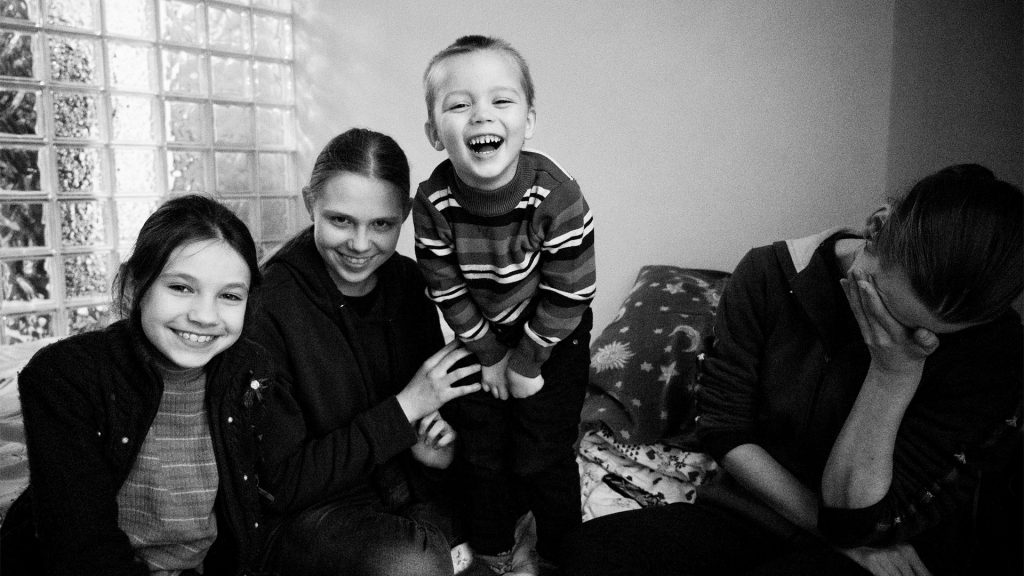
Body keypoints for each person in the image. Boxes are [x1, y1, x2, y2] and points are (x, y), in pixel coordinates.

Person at [563, 164, 1023, 576]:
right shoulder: (771, 272)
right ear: (876, 228)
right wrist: (836, 538)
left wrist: (894, 375)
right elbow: (725, 430)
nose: (907, 337)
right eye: (888, 309)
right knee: (589, 555)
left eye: (934, 334)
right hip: (759, 511)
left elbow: (857, 520)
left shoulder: (993, 353)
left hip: (890, 541)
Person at [250, 128, 482, 576]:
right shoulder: (268, 305)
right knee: (410, 563)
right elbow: (280, 485)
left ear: (405, 215)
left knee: (505, 506)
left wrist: (434, 455)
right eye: (340, 220)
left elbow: (427, 426)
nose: (360, 245)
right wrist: (406, 408)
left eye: (381, 224)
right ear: (308, 205)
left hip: (399, 494)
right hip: (307, 514)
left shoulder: (410, 283)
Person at [0, 195, 272, 575]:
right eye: (180, 287)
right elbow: (81, 550)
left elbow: (250, 508)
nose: (205, 316)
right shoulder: (65, 376)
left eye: (229, 296)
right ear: (132, 286)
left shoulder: (248, 369)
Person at [415, 35, 597, 573]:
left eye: (500, 100)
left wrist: (526, 361)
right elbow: (444, 285)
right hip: (481, 332)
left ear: (529, 120)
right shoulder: (433, 202)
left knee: (541, 451)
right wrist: (490, 353)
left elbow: (571, 289)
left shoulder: (556, 194)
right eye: (459, 104)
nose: (480, 115)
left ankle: (567, 552)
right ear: (434, 132)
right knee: (481, 450)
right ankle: (494, 551)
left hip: (553, 335)